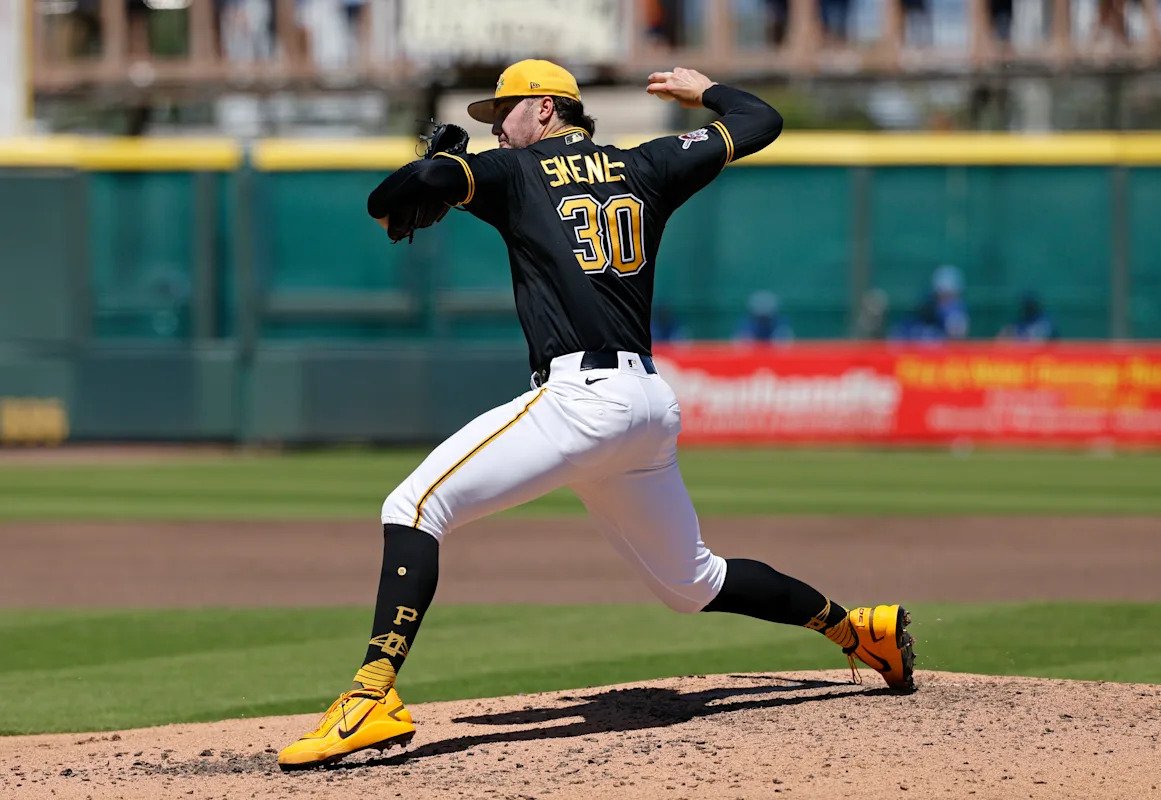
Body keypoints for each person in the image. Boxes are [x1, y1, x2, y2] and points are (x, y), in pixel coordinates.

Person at [277, 60, 916, 771]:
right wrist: (704, 91)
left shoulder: (513, 174)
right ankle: (857, 630)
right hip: (645, 404)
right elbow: (761, 121)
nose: (499, 129)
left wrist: (441, 173)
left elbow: (400, 193)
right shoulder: (647, 165)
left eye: (505, 115)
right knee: (693, 583)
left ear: (545, 109)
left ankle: (370, 697)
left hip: (582, 400)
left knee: (413, 506)